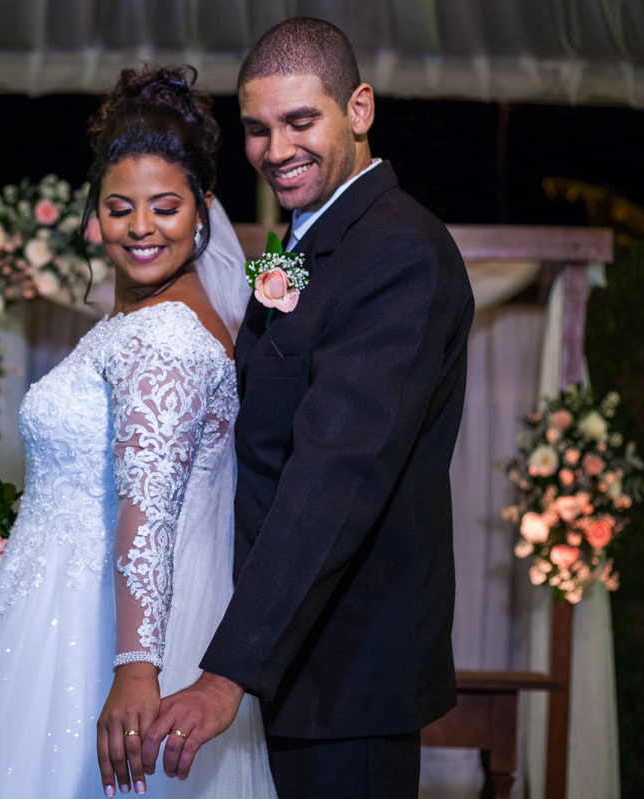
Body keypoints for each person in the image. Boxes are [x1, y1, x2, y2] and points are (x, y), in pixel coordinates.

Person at [0, 65, 277, 799]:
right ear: (95, 216)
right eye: (120, 207)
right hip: (56, 625)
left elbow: (148, 515)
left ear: (202, 212)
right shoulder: (129, 325)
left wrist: (135, 669)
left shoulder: (166, 335)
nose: (140, 226)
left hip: (94, 646)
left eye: (164, 206)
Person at [139, 18, 476, 799]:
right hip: (293, 657)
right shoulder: (309, 241)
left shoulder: (398, 252)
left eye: (300, 121)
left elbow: (337, 474)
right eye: (257, 128)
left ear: (358, 109)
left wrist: (226, 672)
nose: (274, 148)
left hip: (345, 670)